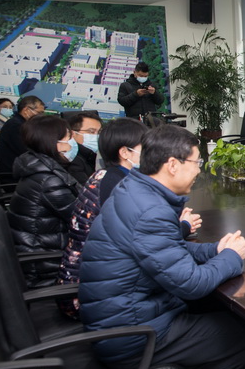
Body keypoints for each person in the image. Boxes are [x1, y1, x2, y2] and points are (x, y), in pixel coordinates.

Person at [78, 125, 245, 369]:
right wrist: (231, 256)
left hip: (121, 316)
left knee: (242, 351)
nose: (199, 170)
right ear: (173, 165)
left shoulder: (134, 189)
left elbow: (168, 249)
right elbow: (191, 284)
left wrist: (214, 250)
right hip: (134, 333)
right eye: (197, 162)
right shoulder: (151, 211)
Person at [57, 118, 201, 320]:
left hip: (97, 282)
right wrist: (183, 227)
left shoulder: (106, 176)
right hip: (89, 294)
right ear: (125, 152)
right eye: (146, 148)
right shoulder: (119, 185)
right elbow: (145, 239)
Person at [7, 115, 80, 288]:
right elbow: (83, 219)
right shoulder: (49, 181)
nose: (71, 143)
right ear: (53, 142)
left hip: (42, 252)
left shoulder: (37, 167)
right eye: (68, 138)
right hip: (48, 265)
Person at [0, 95, 45, 176]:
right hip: (13, 174)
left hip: (22, 170)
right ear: (26, 110)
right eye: (39, 113)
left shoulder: (22, 124)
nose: (41, 116)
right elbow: (27, 151)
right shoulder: (15, 126)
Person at [66, 111, 103, 184]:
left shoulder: (94, 156)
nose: (96, 136)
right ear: (72, 134)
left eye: (99, 132)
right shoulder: (71, 159)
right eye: (91, 131)